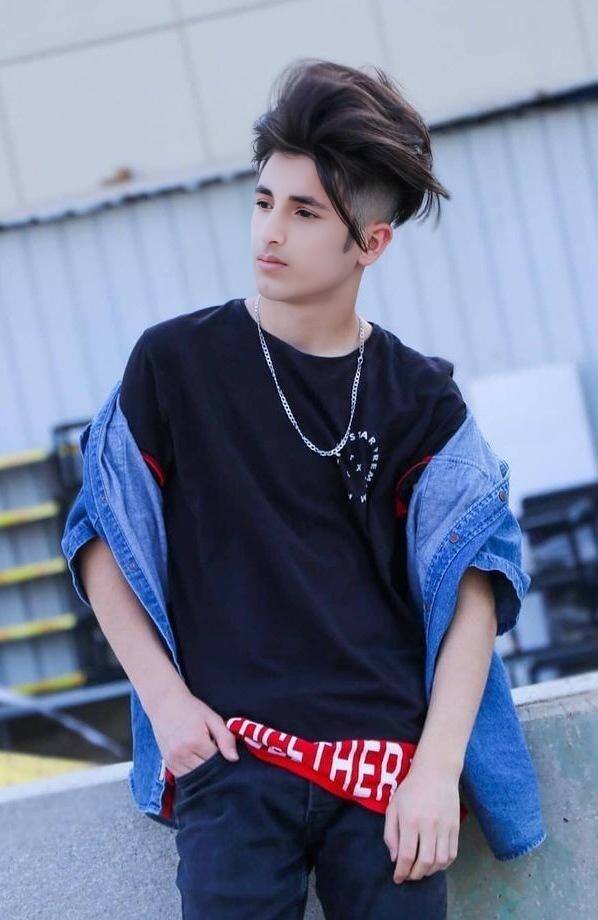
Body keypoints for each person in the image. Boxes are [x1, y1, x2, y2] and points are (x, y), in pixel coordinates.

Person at [73, 59, 537, 918]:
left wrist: (437, 771)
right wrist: (168, 707)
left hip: (386, 771)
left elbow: (477, 585)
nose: (270, 232)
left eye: (305, 212)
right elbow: (102, 534)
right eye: (263, 202)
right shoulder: (175, 364)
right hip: (231, 760)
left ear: (371, 243)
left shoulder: (420, 398)